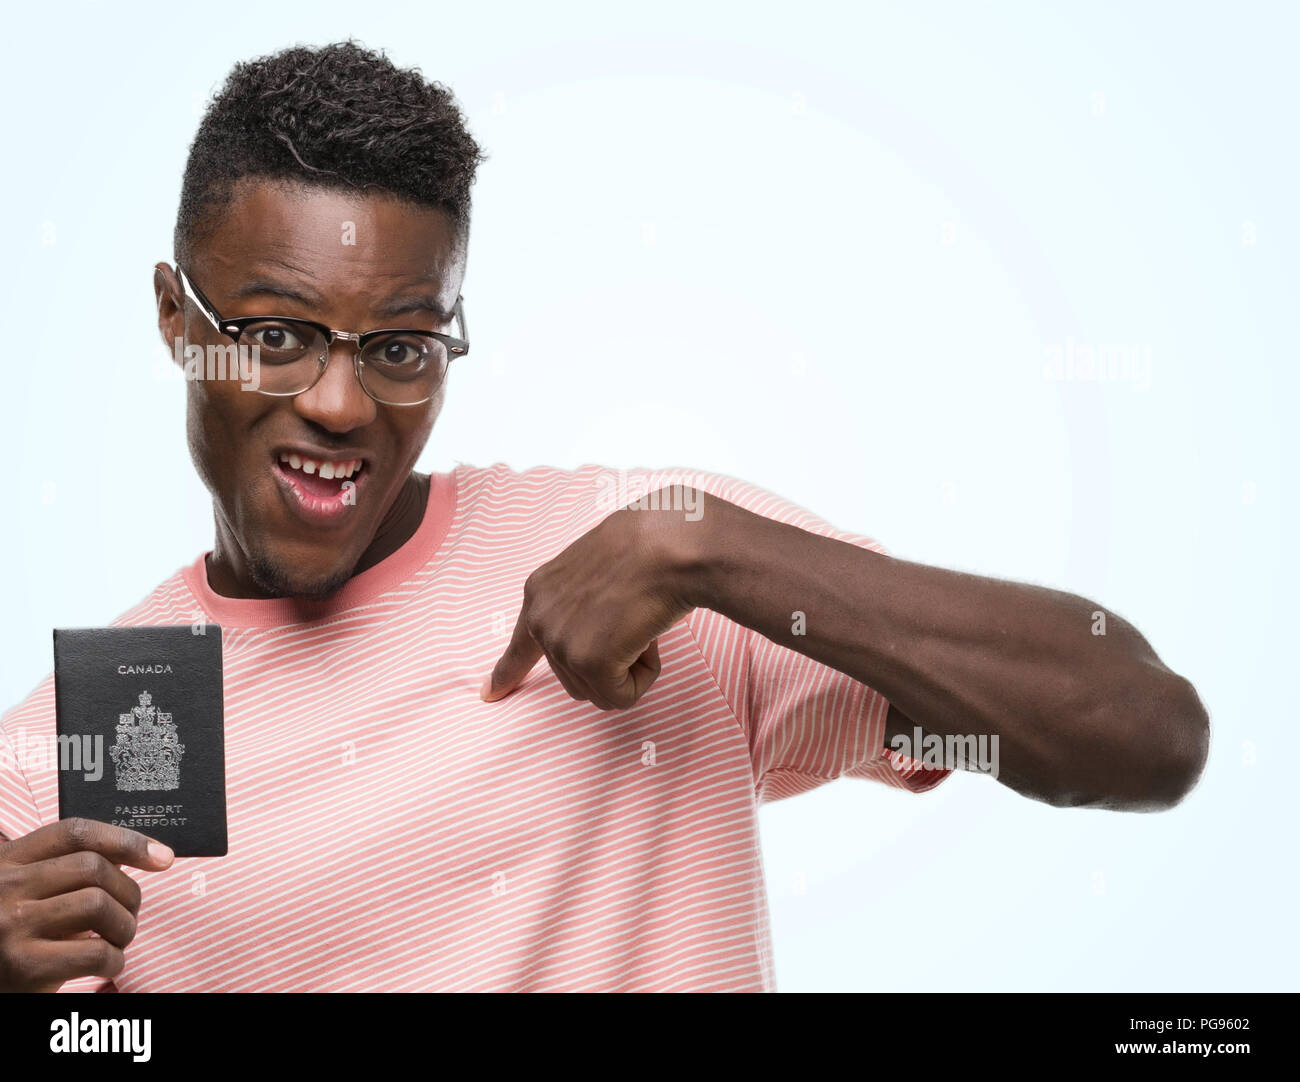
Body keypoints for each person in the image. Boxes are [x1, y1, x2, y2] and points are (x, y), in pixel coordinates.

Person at [0, 41, 1208, 993]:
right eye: (275, 337)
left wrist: (714, 550)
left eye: (403, 345)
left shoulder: (655, 565)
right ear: (175, 316)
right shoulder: (70, 746)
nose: (338, 400)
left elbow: (1143, 733)